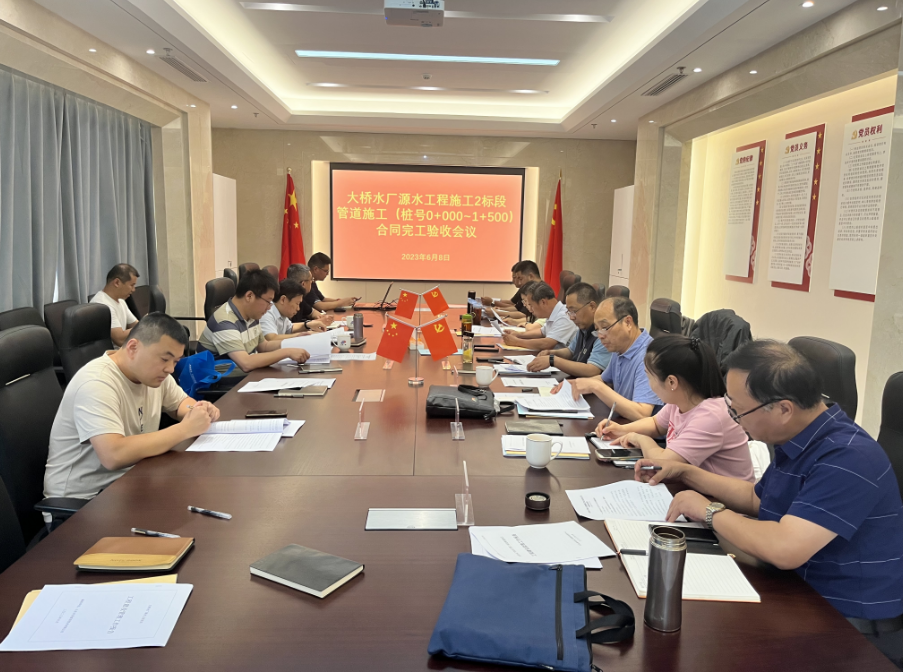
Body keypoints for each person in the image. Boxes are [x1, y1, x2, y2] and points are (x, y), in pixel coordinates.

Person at [636, 340, 903, 669]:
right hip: (797, 594)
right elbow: (756, 498)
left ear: (783, 409)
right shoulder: (801, 437)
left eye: (738, 410)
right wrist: (687, 473)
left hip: (848, 627)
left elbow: (784, 548)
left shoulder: (848, 457)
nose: (735, 419)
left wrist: (709, 510)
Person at [43, 313, 220, 518]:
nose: (170, 369)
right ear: (133, 348)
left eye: (176, 361)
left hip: (130, 482)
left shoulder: (153, 374)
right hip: (84, 505)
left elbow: (179, 403)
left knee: (200, 500)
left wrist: (198, 410)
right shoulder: (96, 383)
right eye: (165, 359)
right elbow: (113, 455)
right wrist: (184, 429)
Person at [597, 334, 753, 481]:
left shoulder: (711, 417)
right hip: (694, 489)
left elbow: (662, 462)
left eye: (649, 376)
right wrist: (621, 430)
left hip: (721, 498)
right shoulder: (681, 400)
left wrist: (640, 438)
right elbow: (656, 424)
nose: (648, 383)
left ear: (672, 382)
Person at [556, 296, 662, 421]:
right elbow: (604, 379)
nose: (600, 336)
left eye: (605, 327)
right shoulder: (620, 347)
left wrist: (595, 386)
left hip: (644, 431)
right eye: (597, 330)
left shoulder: (648, 356)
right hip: (622, 423)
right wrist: (576, 383)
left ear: (628, 322)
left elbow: (642, 413)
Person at [198, 269, 310, 371]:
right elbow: (246, 363)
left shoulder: (252, 315)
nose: (269, 308)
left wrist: (295, 341)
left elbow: (264, 346)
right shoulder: (224, 321)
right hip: (221, 381)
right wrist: (287, 352)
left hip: (244, 376)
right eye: (268, 302)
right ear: (249, 296)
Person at [527, 282, 611, 377]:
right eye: (569, 312)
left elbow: (592, 370)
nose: (571, 317)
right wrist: (551, 353)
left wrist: (553, 360)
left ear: (592, 306)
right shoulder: (584, 327)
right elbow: (571, 351)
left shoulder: (603, 332)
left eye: (574, 311)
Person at [501, 281, 578, 351]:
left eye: (531, 305)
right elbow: (542, 332)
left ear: (543, 302)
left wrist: (517, 342)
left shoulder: (564, 316)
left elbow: (547, 343)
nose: (530, 309)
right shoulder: (553, 313)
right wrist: (518, 334)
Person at [261, 278, 327, 341]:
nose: (298, 309)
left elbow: (290, 328)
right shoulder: (267, 312)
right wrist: (301, 335)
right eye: (297, 303)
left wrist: (308, 325)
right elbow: (271, 338)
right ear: (283, 300)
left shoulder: (281, 312)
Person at [91, 263, 140, 347]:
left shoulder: (121, 301)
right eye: (132, 285)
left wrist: (145, 325)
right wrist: (145, 324)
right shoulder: (102, 305)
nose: (133, 290)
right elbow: (120, 339)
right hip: (112, 353)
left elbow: (135, 325)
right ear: (117, 282)